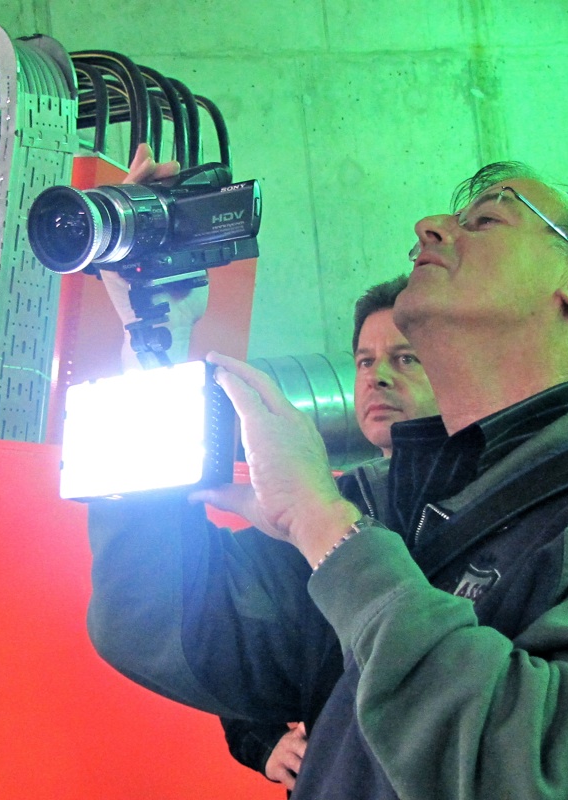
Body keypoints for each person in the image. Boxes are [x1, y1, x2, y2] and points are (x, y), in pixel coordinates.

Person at [88, 151, 568, 799]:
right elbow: (155, 620)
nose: (428, 226)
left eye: (487, 219)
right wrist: (151, 337)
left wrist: (323, 526)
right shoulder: (384, 503)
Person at [219, 274, 437, 789]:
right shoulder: (325, 503)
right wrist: (262, 741)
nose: (377, 378)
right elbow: (238, 642)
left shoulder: (487, 500)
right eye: (365, 361)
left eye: (406, 358)